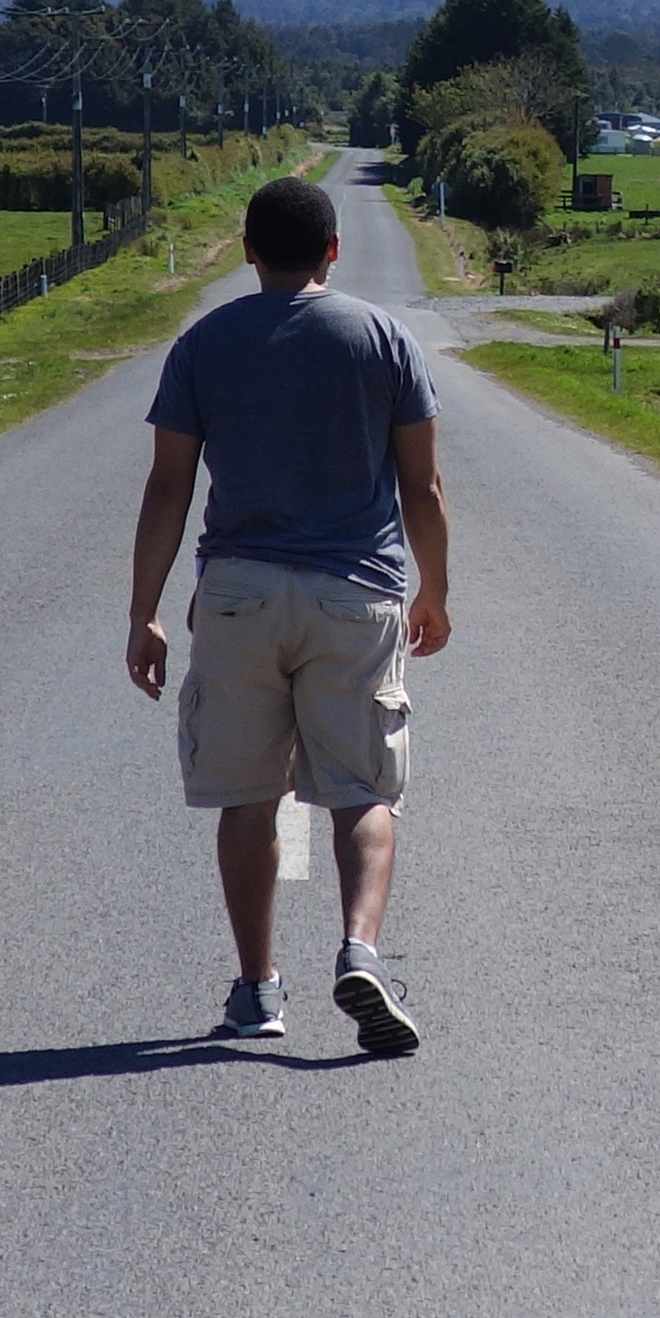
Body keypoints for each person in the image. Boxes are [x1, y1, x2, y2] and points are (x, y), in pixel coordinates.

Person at [128, 172, 450, 1053]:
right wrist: (436, 590)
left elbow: (168, 483)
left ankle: (258, 991)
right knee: (362, 789)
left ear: (248, 253)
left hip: (238, 595)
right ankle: (360, 951)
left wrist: (143, 613)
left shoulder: (204, 344)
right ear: (334, 251)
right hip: (356, 593)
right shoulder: (382, 338)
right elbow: (420, 484)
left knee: (248, 795)